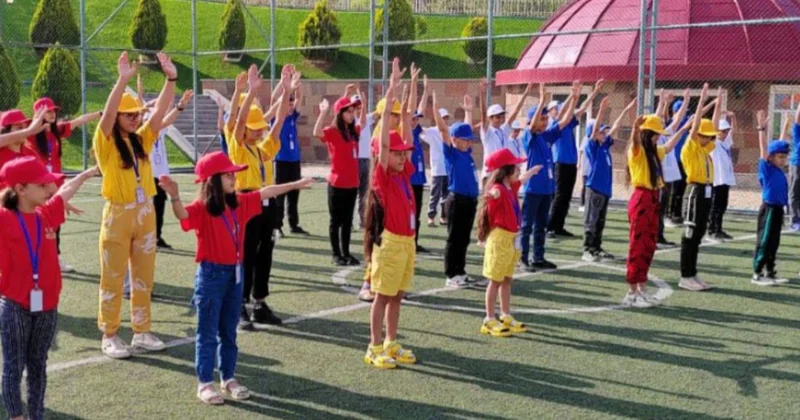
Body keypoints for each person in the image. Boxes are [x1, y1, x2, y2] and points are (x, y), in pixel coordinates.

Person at [158, 152, 312, 404]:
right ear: (213, 180)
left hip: (235, 275)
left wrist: (295, 184)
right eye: (228, 174)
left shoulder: (239, 202)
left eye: (233, 174)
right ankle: (205, 383)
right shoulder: (202, 207)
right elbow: (183, 215)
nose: (234, 178)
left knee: (229, 332)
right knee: (207, 333)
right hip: (211, 276)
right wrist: (174, 195)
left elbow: (266, 192)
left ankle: (228, 378)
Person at [94, 51, 176, 359]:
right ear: (117, 117)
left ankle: (141, 331)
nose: (135, 118)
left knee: (144, 276)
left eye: (136, 114)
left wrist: (171, 79)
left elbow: (159, 111)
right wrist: (122, 81)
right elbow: (106, 116)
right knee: (113, 277)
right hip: (117, 213)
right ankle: (110, 334)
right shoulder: (105, 142)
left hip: (145, 213)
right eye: (128, 114)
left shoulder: (142, 139)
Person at [0, 158, 95, 420]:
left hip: (47, 305)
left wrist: (85, 175)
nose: (49, 188)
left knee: (38, 365)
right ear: (20, 189)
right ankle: (16, 416)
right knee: (13, 366)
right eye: (42, 185)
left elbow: (64, 192)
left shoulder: (46, 214)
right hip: (15, 304)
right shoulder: (4, 218)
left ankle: (36, 415)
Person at [226, 65, 295, 329]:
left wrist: (286, 93)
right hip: (246, 201)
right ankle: (240, 303)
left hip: (267, 203)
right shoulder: (238, 147)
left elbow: (278, 125)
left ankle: (259, 303)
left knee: (265, 252)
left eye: (259, 128)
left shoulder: (260, 150)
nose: (258, 131)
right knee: (246, 255)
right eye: (253, 128)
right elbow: (239, 122)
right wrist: (251, 92)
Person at [362, 59, 417, 369]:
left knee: (397, 295)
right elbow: (385, 142)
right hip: (391, 242)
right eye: (396, 154)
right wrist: (392, 90)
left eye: (402, 154)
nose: (401, 157)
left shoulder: (404, 173)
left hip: (407, 242)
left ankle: (391, 342)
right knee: (382, 295)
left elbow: (406, 132)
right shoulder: (382, 175)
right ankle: (374, 346)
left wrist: (408, 96)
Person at [27, 98, 101, 272]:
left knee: (55, 223)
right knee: (36, 222)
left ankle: (55, 258)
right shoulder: (31, 135)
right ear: (38, 114)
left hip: (56, 184)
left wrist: (101, 113)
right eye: (48, 111)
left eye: (54, 111)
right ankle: (34, 259)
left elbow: (79, 120)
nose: (52, 114)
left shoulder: (56, 131)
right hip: (38, 186)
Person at [476, 149, 540, 337]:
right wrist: (491, 195)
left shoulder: (510, 187)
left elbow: (522, 180)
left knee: (506, 279)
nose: (519, 170)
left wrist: (532, 171)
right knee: (495, 280)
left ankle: (505, 314)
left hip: (511, 239)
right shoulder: (499, 189)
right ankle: (489, 319)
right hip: (500, 239)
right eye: (516, 167)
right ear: (506, 170)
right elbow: (493, 193)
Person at [624, 114, 684, 307]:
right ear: (647, 134)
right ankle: (632, 292)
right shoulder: (638, 150)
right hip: (641, 198)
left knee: (649, 245)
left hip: (653, 198)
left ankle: (642, 289)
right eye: (655, 134)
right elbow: (635, 143)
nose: (658, 137)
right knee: (638, 246)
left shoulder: (654, 152)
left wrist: (685, 128)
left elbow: (669, 147)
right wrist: (635, 128)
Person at [520, 82, 580, 272]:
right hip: (532, 189)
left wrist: (575, 98)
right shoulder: (529, 136)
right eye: (541, 118)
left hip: (546, 189)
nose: (545, 122)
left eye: (546, 118)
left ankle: (538, 257)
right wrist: (541, 102)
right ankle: (522, 258)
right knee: (527, 226)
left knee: (541, 226)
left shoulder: (546, 136)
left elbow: (564, 121)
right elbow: (532, 127)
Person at [432, 91, 485, 288]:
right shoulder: (451, 153)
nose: (469, 142)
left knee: (464, 239)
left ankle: (460, 271)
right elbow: (443, 131)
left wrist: (469, 111)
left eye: (470, 140)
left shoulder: (466, 152)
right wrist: (435, 108)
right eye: (466, 139)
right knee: (454, 239)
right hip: (457, 200)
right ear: (455, 139)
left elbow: (466, 129)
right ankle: (451, 274)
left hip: (470, 201)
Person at [581, 97, 636, 262]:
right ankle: (588, 250)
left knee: (600, 221)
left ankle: (597, 248)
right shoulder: (592, 146)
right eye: (601, 132)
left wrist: (626, 110)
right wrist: (601, 110)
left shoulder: (604, 145)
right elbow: (594, 131)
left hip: (604, 190)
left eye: (604, 132)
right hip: (594, 189)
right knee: (591, 221)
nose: (604, 134)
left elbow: (616, 126)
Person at [547, 80, 604, 238]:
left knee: (566, 196)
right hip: (560, 163)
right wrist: (573, 96)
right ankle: (550, 227)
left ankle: (559, 226)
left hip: (570, 164)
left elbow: (582, 108)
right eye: (555, 108)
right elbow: (564, 112)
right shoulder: (554, 124)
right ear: (550, 112)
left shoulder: (568, 123)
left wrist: (595, 91)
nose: (560, 110)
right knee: (559, 196)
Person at [678, 84, 720, 292]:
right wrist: (702, 100)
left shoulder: (705, 149)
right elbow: (694, 129)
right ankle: (685, 275)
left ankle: (693, 273)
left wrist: (718, 104)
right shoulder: (691, 147)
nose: (710, 138)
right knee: (690, 234)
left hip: (706, 192)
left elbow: (714, 129)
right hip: (694, 192)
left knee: (699, 234)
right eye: (706, 135)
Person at [314, 90, 362, 267]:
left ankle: (346, 253)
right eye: (348, 111)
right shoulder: (332, 131)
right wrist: (323, 112)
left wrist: (360, 102)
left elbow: (363, 122)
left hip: (352, 184)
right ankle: (336, 254)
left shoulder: (353, 131)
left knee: (347, 222)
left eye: (353, 111)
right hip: (337, 184)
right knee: (336, 221)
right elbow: (316, 132)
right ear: (340, 114)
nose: (352, 114)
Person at [751, 110, 791, 286]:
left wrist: (786, 125)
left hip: (778, 210)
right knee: (765, 241)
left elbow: (780, 143)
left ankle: (770, 271)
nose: (783, 160)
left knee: (774, 242)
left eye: (785, 157)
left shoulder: (777, 169)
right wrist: (761, 129)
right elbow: (763, 149)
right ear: (771, 157)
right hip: (769, 210)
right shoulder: (766, 169)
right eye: (780, 157)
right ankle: (757, 273)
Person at [273, 64, 310, 237]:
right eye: (287, 104)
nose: (290, 106)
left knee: (294, 194)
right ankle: (277, 226)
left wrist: (296, 81)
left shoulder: (293, 117)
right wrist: (283, 81)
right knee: (280, 194)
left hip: (294, 160)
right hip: (281, 160)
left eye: (291, 104)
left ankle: (294, 225)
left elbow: (299, 97)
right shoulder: (277, 118)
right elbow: (274, 98)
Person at [477, 80, 532, 182]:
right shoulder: (487, 132)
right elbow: (483, 113)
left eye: (502, 116)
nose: (501, 119)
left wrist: (525, 94)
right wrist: (482, 93)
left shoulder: (503, 130)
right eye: (497, 117)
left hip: (503, 172)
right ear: (490, 118)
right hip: (490, 173)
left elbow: (515, 112)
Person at [418, 80, 449, 227]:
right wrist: (426, 92)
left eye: (447, 118)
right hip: (437, 169)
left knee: (446, 194)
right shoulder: (431, 132)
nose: (445, 120)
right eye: (443, 118)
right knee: (435, 194)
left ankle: (444, 216)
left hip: (448, 169)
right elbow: (418, 125)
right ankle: (431, 216)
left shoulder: (450, 131)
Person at [406, 64, 428, 253]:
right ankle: (407, 240)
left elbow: (419, 109)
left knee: (417, 211)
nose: (415, 120)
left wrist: (426, 90)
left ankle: (415, 240)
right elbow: (412, 108)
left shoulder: (418, 130)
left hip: (419, 179)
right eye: (412, 118)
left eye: (416, 118)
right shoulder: (405, 131)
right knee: (408, 211)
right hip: (409, 179)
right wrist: (413, 84)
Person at [708, 111, 737, 240]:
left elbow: (734, 131)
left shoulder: (725, 143)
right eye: (723, 131)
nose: (725, 133)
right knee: (715, 205)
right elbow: (712, 129)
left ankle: (718, 229)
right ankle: (711, 230)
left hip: (725, 179)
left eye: (726, 131)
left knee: (722, 205)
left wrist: (733, 117)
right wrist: (718, 112)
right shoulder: (713, 143)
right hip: (717, 180)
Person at [0, 110, 48, 189]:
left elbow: (44, 179)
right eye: (19, 128)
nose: (24, 131)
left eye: (25, 127)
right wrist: (28, 131)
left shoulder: (31, 154)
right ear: (6, 131)